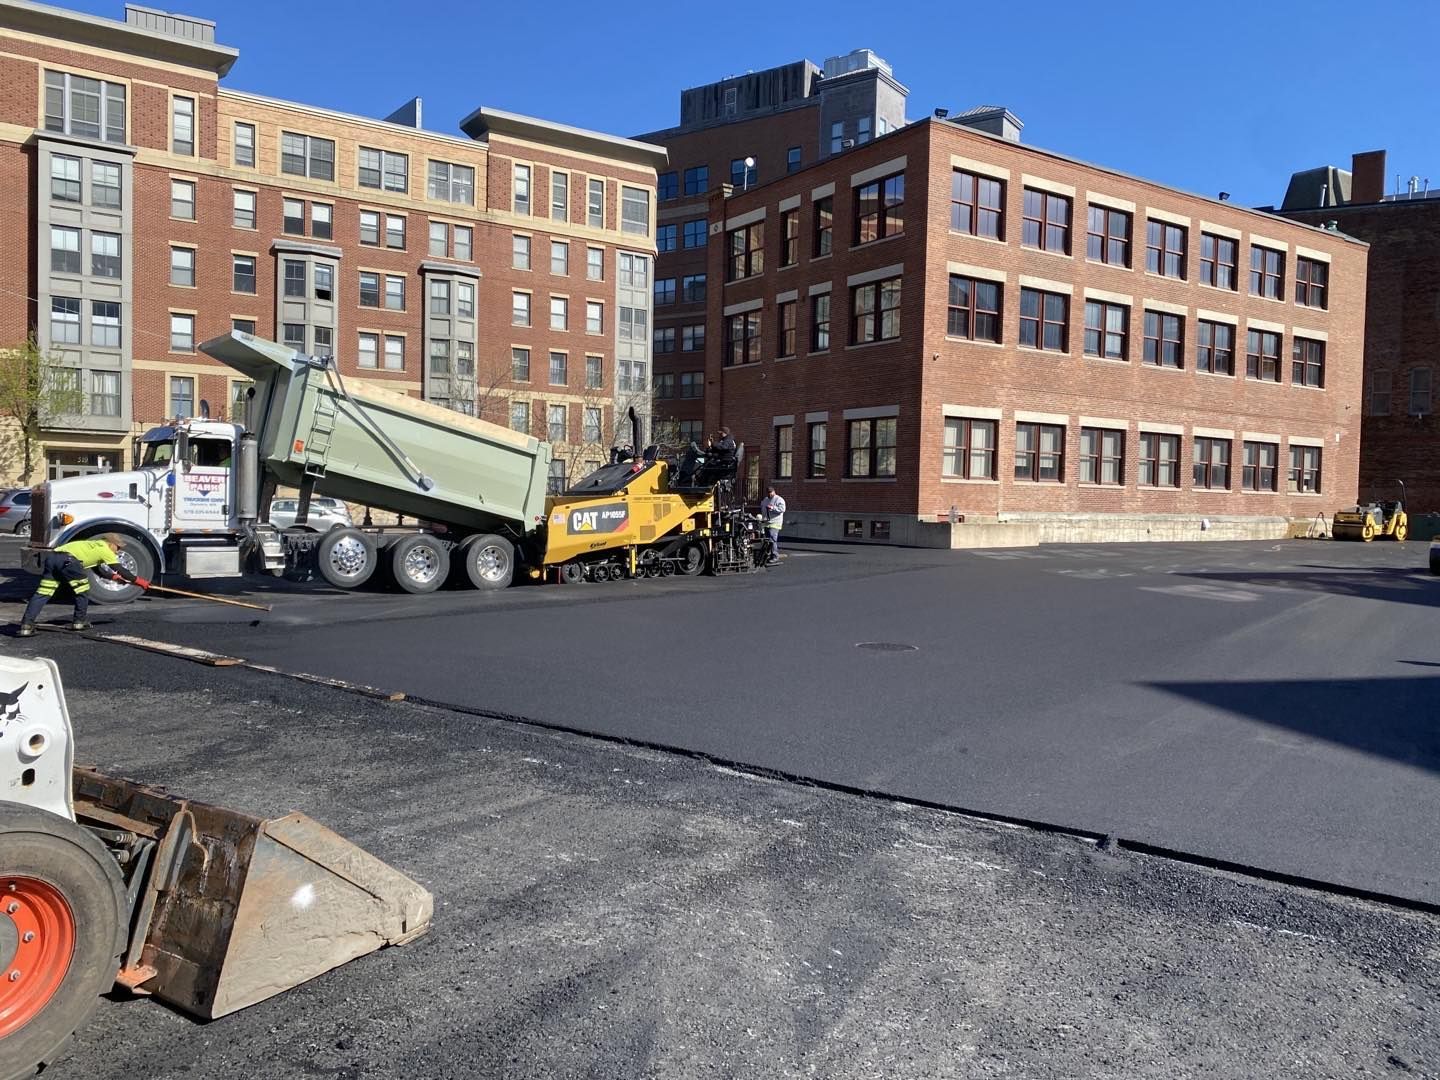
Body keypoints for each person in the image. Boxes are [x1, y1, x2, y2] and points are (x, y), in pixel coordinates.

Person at [16, 537, 149, 636]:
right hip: (69, 561)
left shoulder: (91, 546)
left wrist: (114, 578)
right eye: (118, 547)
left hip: (52, 558)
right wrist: (139, 581)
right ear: (110, 543)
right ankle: (79, 622)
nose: (118, 550)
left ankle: (26, 625)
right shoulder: (105, 550)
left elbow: (98, 570)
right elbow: (120, 569)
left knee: (43, 593)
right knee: (82, 591)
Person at [759, 486, 786, 566]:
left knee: (772, 539)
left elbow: (782, 509)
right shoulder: (765, 500)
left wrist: (773, 508)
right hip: (767, 522)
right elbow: (763, 508)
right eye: (768, 492)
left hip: (775, 523)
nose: (769, 494)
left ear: (774, 492)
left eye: (771, 492)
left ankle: (775, 556)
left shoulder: (779, 499)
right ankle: (768, 555)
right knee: (767, 540)